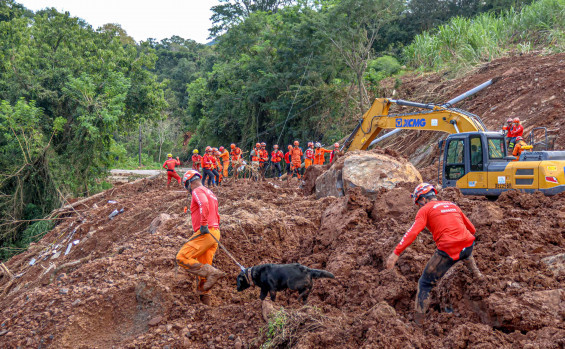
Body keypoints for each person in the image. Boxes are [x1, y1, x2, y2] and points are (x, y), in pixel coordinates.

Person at [386, 183, 483, 324]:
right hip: (468, 244)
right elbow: (472, 229)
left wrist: (396, 253)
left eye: (418, 203)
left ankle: (418, 322)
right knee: (466, 253)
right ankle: (480, 278)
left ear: (423, 199)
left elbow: (412, 232)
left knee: (425, 283)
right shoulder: (452, 205)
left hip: (448, 249)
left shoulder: (424, 210)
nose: (419, 206)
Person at [176, 170, 226, 305]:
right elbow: (216, 212)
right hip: (215, 232)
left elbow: (203, 204)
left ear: (188, 183)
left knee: (182, 257)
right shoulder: (210, 192)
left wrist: (203, 225)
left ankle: (212, 273)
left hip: (206, 231)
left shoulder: (197, 191)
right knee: (203, 268)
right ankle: (205, 303)